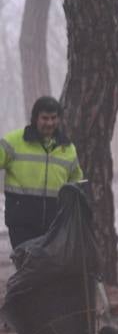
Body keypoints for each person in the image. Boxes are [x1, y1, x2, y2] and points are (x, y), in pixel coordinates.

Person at [0, 96, 83, 251]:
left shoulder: (68, 149)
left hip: (55, 225)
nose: (50, 123)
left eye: (53, 118)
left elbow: (76, 183)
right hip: (22, 225)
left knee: (50, 272)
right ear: (35, 118)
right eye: (45, 118)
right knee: (27, 270)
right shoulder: (13, 142)